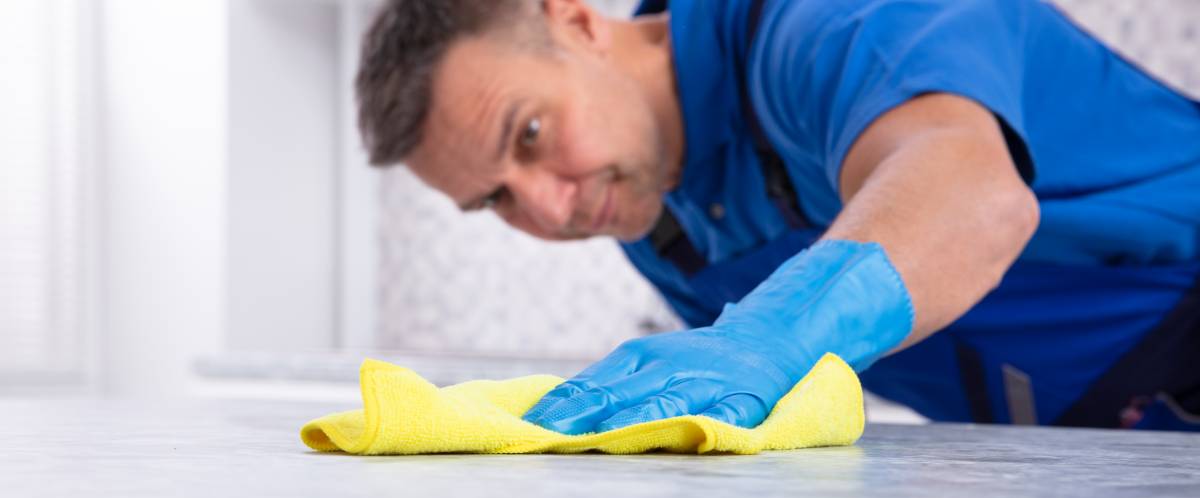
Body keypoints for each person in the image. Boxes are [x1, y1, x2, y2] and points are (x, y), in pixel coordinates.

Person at [354, 0, 1200, 433]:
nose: (546, 205)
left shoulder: (823, 19)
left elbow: (971, 193)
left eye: (530, 134)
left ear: (577, 23)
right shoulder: (662, 231)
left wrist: (772, 333)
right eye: (494, 198)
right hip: (1100, 447)